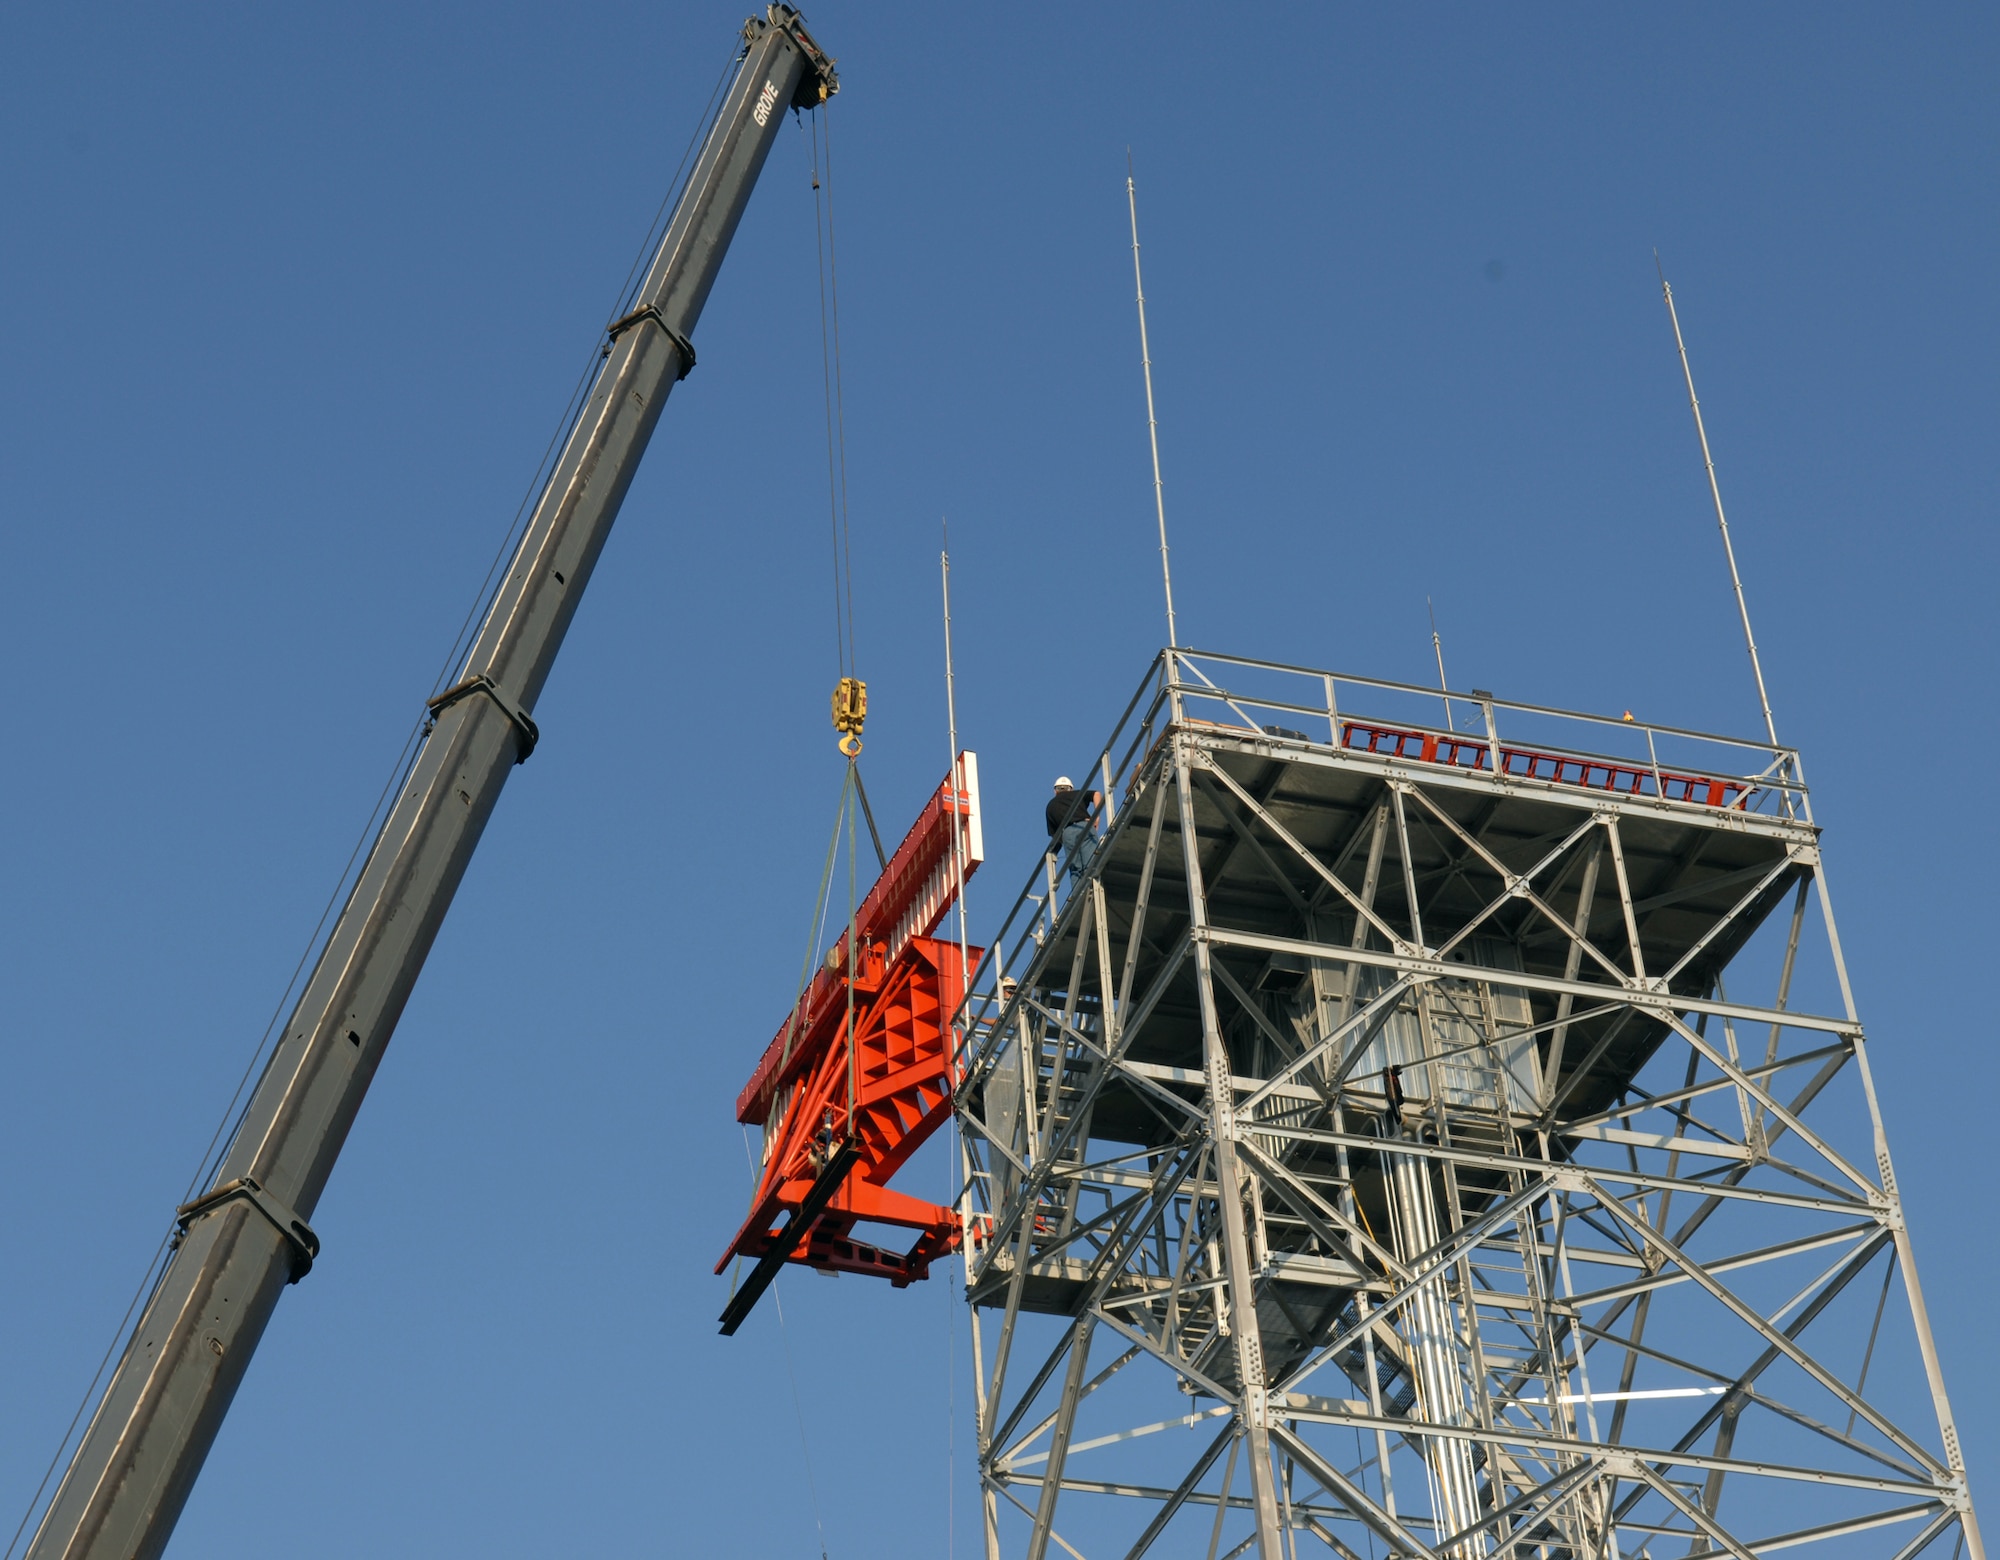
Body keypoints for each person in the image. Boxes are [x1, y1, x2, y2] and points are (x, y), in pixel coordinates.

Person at [1045, 776, 1101, 883]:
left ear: (1055, 791)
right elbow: (1096, 794)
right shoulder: (1077, 794)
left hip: (1067, 834)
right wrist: (1096, 817)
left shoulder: (1050, 806)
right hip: (1084, 826)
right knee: (1092, 863)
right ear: (1071, 788)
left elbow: (1055, 837)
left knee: (1076, 870)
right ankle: (1095, 887)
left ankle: (1078, 895)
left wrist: (1053, 854)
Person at [1381, 1063, 1407, 1136]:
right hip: (1393, 1098)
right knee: (1395, 1105)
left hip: (1394, 1098)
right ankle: (1398, 1119)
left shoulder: (1390, 1078)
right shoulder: (1389, 1077)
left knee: (1395, 1104)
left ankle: (1397, 1119)